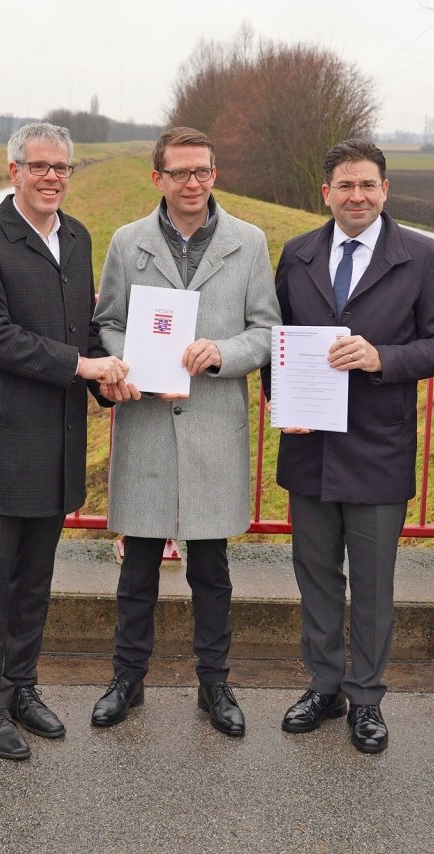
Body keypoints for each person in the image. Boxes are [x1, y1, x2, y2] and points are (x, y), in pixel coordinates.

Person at [267, 139, 434, 753]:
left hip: (377, 445)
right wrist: (281, 400)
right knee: (316, 576)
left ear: (385, 190)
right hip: (309, 447)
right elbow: (280, 343)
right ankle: (323, 685)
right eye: (345, 186)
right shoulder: (297, 255)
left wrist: (383, 358)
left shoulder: (422, 257)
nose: (357, 196)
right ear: (326, 193)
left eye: (367, 185)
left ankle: (367, 698)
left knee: (373, 583)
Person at [90, 127, 277, 737]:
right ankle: (127, 679)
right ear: (159, 179)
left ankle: (215, 684)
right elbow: (109, 321)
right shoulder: (128, 242)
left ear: (214, 174)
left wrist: (220, 352)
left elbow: (264, 331)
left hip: (213, 424)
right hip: (146, 419)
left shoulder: (248, 243)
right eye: (179, 174)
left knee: (211, 569)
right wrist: (129, 360)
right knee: (137, 566)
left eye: (201, 171)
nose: (191, 183)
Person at [0, 122, 124, 761]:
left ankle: (22, 686)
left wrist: (112, 379)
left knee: (35, 582)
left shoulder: (76, 238)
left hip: (57, 442)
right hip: (0, 443)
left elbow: (82, 331)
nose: (52, 177)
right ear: (13, 171)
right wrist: (83, 369)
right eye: (38, 166)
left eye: (62, 168)